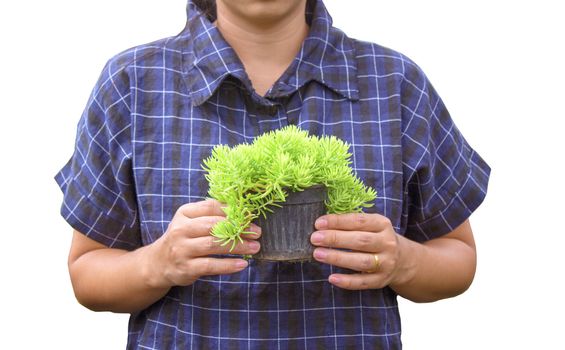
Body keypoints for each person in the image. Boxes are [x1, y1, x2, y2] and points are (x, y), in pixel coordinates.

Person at [55, 0, 490, 348]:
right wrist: (160, 262)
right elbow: (88, 273)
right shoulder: (133, 83)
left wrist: (403, 260)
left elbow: (458, 257)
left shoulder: (395, 82)